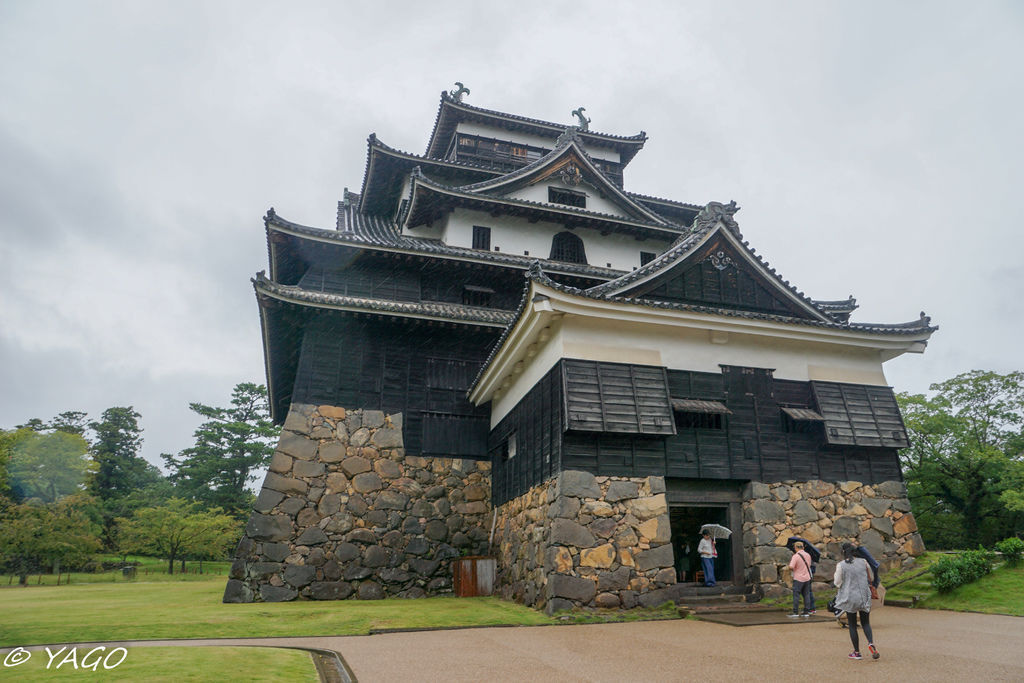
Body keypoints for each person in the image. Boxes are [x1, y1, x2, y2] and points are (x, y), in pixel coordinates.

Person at [833, 542, 879, 660]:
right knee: (866, 623)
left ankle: (857, 652)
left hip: (850, 597)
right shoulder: (864, 562)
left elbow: (837, 582)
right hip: (864, 596)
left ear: (843, 552)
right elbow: (871, 577)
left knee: (852, 625)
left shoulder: (841, 565)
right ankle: (870, 642)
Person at [788, 541, 814, 617]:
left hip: (798, 578)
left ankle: (795, 612)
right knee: (806, 595)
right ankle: (806, 611)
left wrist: (789, 567)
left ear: (796, 547)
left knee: (796, 595)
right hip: (807, 577)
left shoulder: (795, 556)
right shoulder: (808, 555)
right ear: (803, 547)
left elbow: (791, 567)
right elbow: (809, 565)